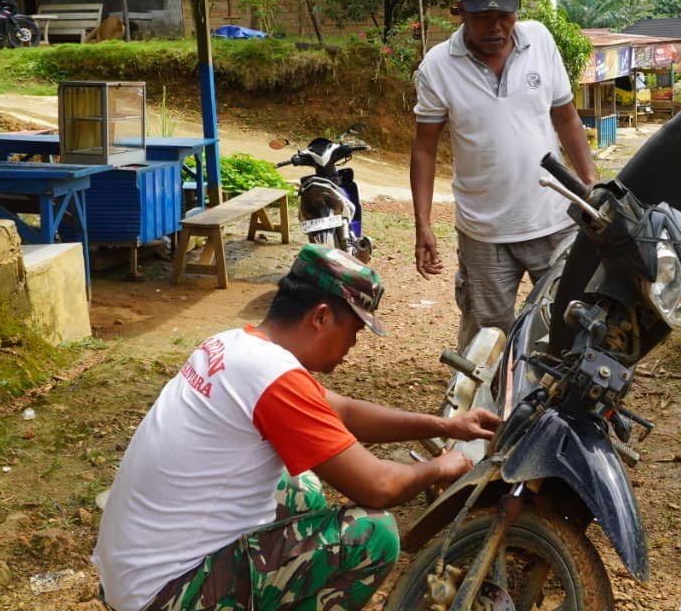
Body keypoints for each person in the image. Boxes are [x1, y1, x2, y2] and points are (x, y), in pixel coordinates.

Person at [92, 244, 499, 611]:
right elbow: (378, 487)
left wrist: (447, 425)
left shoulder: (236, 345)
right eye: (354, 330)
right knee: (372, 536)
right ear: (320, 316)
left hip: (134, 571)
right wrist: (442, 466)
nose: (353, 345)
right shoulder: (275, 379)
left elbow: (344, 411)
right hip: (165, 594)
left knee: (302, 487)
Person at [410, 0, 598, 351]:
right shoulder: (437, 67)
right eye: (482, 17)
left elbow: (566, 118)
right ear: (460, 11)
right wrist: (422, 223)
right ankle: (488, 394)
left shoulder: (540, 41)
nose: (495, 27)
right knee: (488, 339)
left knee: (567, 325)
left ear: (517, 10)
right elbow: (424, 149)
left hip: (554, 221)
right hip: (484, 233)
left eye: (505, 16)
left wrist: (590, 185)